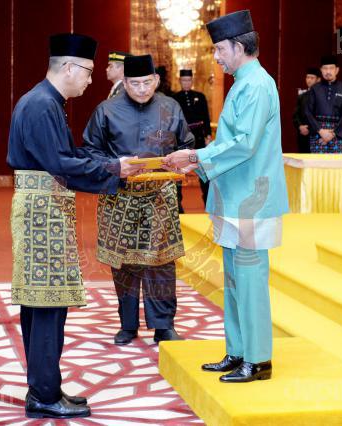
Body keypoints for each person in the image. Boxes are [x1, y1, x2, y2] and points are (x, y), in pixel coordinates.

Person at [7, 33, 143, 419]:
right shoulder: (41, 105)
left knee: (45, 304)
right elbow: (61, 164)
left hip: (45, 210)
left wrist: (112, 164)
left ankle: (45, 387)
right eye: (87, 72)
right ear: (68, 68)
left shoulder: (46, 102)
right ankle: (44, 394)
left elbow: (66, 155)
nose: (90, 80)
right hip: (42, 214)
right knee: (46, 305)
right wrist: (114, 169)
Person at [164, 9, 289, 383]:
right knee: (234, 280)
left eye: (219, 49)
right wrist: (197, 162)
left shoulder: (257, 85)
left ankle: (258, 359)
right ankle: (238, 351)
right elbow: (231, 142)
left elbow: (245, 144)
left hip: (252, 199)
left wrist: (196, 157)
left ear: (238, 46)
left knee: (249, 281)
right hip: (235, 196)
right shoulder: (242, 83)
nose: (216, 56)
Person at [82, 54, 195, 346]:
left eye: (147, 82)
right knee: (124, 263)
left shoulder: (171, 107)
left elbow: (187, 144)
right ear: (125, 82)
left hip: (160, 194)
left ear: (156, 80)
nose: (142, 89)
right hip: (120, 195)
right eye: (135, 84)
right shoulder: (106, 110)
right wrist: (116, 165)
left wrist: (182, 161)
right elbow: (90, 151)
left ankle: (164, 325)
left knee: (162, 262)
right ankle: (128, 324)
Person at [172, 69, 212, 205]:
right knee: (178, 174)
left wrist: (208, 135)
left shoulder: (200, 96)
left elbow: (206, 117)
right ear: (180, 81)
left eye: (189, 80)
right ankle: (178, 206)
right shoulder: (174, 98)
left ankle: (208, 202)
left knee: (205, 173)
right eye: (184, 80)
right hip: (181, 141)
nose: (186, 83)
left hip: (199, 140)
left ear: (192, 81)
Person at [304, 55, 342, 153]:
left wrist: (333, 133)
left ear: (337, 70)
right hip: (318, 133)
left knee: (336, 162)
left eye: (331, 68)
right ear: (321, 70)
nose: (328, 71)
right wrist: (321, 131)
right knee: (317, 162)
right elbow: (308, 112)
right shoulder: (314, 89)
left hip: (337, 134)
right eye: (325, 68)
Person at [292, 67, 320, 153]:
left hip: (317, 135)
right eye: (307, 77)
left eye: (312, 78)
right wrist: (300, 126)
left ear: (318, 80)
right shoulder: (302, 96)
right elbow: (296, 115)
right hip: (303, 135)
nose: (309, 80)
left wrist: (310, 128)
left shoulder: (322, 97)